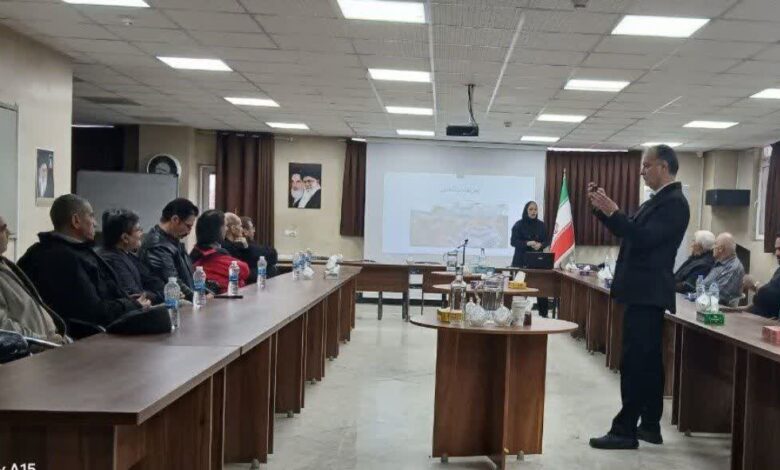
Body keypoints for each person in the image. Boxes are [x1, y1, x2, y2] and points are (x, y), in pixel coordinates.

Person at [587, 145, 689, 450]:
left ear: (664, 167)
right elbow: (629, 230)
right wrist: (603, 211)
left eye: (647, 165)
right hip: (642, 291)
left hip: (648, 292)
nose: (642, 171)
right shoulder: (657, 201)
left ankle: (625, 431)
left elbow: (643, 238)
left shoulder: (674, 203)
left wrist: (614, 211)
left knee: (635, 363)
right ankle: (650, 425)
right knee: (648, 362)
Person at [18, 194, 149, 331]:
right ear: (76, 221)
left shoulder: (43, 251)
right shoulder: (66, 259)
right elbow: (94, 312)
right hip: (87, 336)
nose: (95, 223)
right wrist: (132, 305)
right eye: (91, 216)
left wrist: (127, 301)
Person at [0, 215, 67, 344]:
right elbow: (4, 330)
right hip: (35, 350)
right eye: (3, 229)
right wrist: (43, 342)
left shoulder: (4, 263)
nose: (8, 233)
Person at [97, 209, 164, 305]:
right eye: (138, 230)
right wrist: (164, 296)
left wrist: (168, 292)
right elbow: (136, 296)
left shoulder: (126, 254)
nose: (141, 233)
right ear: (125, 238)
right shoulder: (112, 260)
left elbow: (150, 279)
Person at [139, 198, 199, 300]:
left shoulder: (173, 241)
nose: (189, 231)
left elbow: (189, 277)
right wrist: (198, 298)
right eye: (188, 226)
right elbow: (173, 281)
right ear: (175, 219)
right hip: (167, 304)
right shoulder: (157, 245)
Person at [189, 210, 250, 294]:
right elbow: (244, 270)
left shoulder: (195, 252)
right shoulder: (210, 255)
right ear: (217, 229)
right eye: (225, 225)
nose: (226, 228)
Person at [510, 201, 550, 317]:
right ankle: (517, 316)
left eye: (535, 209)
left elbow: (547, 240)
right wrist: (527, 243)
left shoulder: (541, 225)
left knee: (542, 290)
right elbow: (513, 242)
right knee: (520, 293)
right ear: (526, 211)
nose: (533, 212)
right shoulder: (519, 225)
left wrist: (540, 245)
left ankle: (544, 316)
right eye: (531, 209)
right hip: (521, 263)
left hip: (538, 264)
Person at [728, 233, 780, 318]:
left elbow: (770, 296)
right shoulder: (779, 270)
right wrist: (742, 309)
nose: (777, 253)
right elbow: (765, 295)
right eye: (776, 249)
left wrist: (755, 284)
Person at [222, 213, 279, 282]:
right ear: (233, 228)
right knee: (270, 270)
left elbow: (272, 254)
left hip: (243, 278)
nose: (242, 230)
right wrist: (247, 247)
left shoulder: (241, 244)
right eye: (240, 226)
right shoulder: (230, 247)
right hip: (239, 281)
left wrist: (247, 246)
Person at [702, 233, 745, 306]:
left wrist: (697, 295)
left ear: (721, 248)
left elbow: (719, 296)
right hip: (702, 303)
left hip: (715, 310)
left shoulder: (733, 268)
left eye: (715, 244)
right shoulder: (720, 263)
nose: (712, 248)